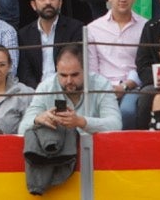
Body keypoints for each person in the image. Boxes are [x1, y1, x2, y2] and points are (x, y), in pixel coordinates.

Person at [19, 44, 121, 192]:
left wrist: (81, 122)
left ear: (86, 70)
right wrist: (38, 120)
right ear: (56, 70)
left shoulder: (101, 84)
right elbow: (22, 129)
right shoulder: (46, 86)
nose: (68, 81)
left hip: (98, 165)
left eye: (74, 75)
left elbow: (116, 125)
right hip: (57, 167)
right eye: (63, 75)